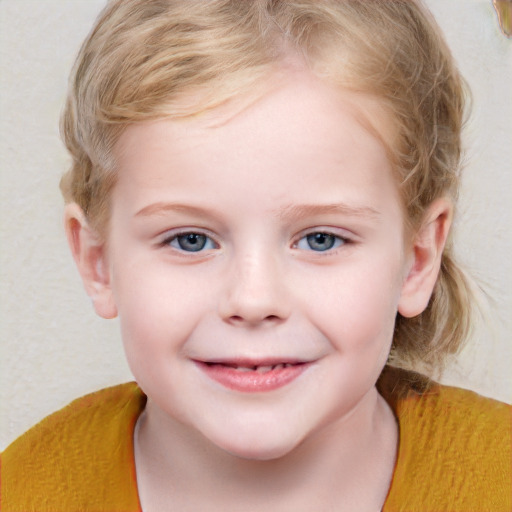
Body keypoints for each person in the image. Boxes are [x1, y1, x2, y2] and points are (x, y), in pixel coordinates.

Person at [1, 0, 510, 510]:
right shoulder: (23, 491)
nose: (252, 299)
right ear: (97, 261)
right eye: (190, 240)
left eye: (321, 239)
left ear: (418, 259)